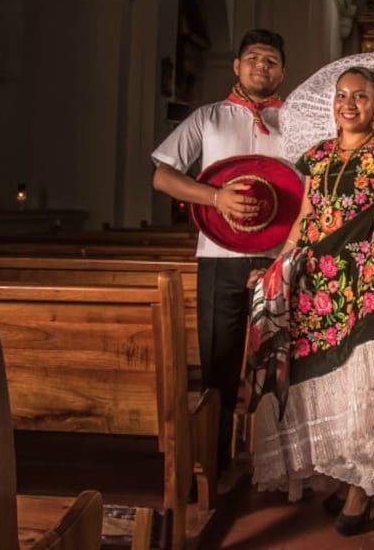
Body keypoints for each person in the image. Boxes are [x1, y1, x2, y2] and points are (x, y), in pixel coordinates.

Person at [246, 67, 374, 536]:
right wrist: (278, 265)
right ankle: (345, 470)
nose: (349, 104)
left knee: (367, 375)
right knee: (322, 375)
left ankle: (364, 484)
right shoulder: (315, 157)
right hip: (319, 285)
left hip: (370, 282)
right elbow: (304, 221)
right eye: (342, 96)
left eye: (360, 96)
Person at [150, 28, 288, 493]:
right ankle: (213, 465)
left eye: (270, 60)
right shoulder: (207, 118)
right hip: (219, 256)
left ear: (282, 71)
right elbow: (163, 178)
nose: (261, 67)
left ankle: (283, 466)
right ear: (236, 66)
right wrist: (214, 197)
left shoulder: (299, 122)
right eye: (253, 58)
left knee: (283, 363)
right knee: (219, 364)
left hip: (279, 257)